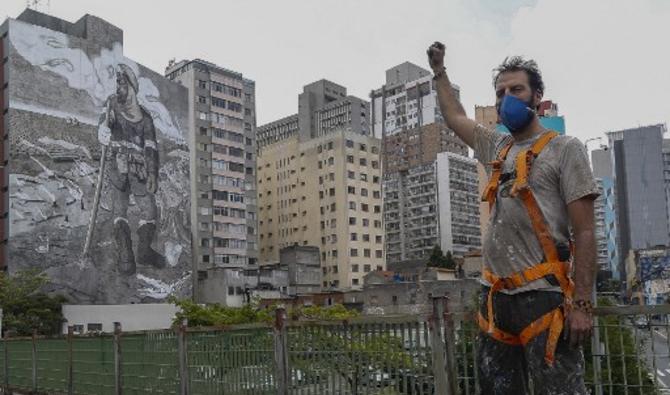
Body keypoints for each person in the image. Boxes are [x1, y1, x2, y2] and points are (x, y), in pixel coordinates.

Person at [427, 42, 598, 394]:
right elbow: (455, 117)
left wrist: (582, 304)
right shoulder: (498, 148)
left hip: (544, 297)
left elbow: (585, 231)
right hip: (496, 298)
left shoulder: (565, 149)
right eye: (501, 92)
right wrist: (439, 72)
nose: (507, 98)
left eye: (516, 89)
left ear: (537, 96)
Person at [97, 64, 164, 274]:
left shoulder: (145, 118)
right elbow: (104, 123)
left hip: (139, 168)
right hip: (117, 163)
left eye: (122, 83)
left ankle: (144, 251)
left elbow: (151, 147)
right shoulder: (112, 105)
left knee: (149, 210)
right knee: (120, 208)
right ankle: (126, 257)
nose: (118, 88)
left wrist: (153, 173)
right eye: (117, 83)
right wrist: (102, 130)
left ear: (132, 87)